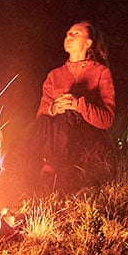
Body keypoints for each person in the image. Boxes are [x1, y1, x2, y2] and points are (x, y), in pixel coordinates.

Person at [36, 20, 116, 185]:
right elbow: (40, 117)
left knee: (68, 114)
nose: (69, 36)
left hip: (87, 138)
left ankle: (51, 172)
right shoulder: (54, 75)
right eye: (68, 34)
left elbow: (107, 120)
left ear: (88, 43)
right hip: (57, 137)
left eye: (76, 33)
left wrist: (78, 105)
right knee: (52, 120)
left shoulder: (101, 73)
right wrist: (53, 109)